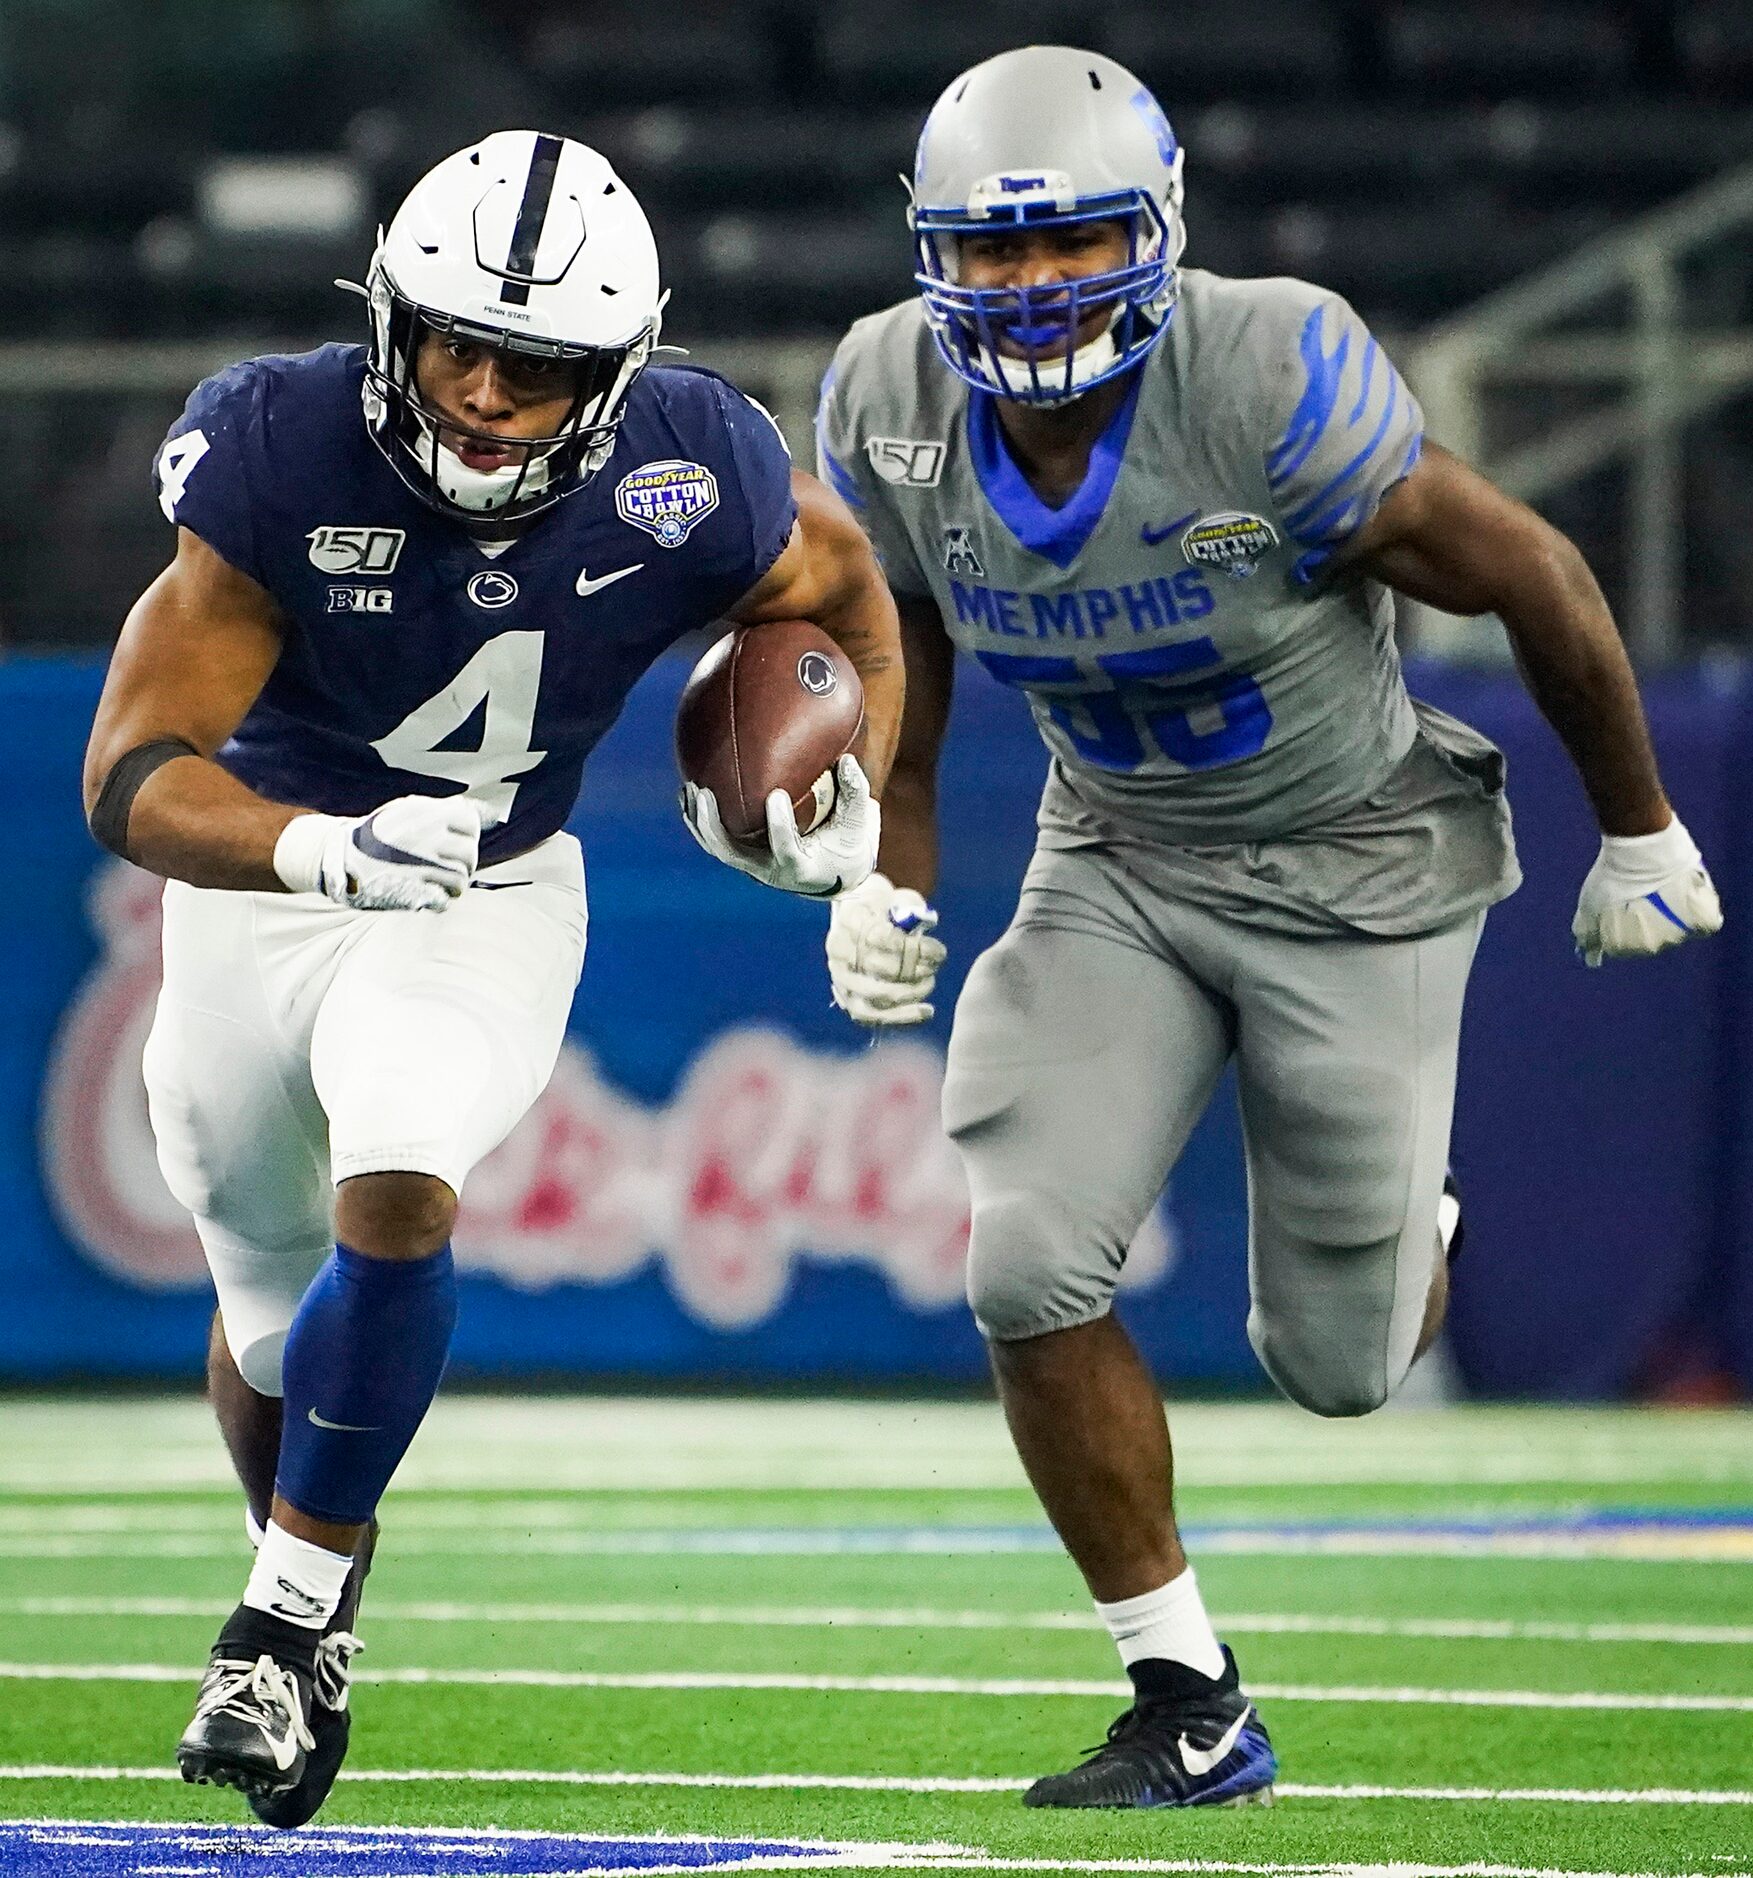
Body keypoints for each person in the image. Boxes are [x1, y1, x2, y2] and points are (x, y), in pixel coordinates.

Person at [816, 46, 1722, 1810]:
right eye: (984, 254)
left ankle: (1412, 1222)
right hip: (1120, 859)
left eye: (1064, 242)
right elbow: (899, 647)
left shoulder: (1263, 368)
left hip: (1354, 862)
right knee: (1020, 1258)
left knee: (1338, 1369)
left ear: (1152, 231)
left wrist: (1638, 824)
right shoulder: (885, 392)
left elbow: (1524, 563)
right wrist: (884, 863)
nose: (1021, 286)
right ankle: (1185, 1693)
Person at [82, 129, 901, 1828]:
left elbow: (845, 599)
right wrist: (320, 846)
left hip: (492, 890)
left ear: (610, 375)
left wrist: (856, 790)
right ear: (386, 317)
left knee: (402, 1174)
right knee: (260, 1305)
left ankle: (281, 1619)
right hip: (277, 880)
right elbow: (129, 768)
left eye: (531, 363)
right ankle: (309, 1590)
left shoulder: (695, 466)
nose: (478, 387)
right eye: (451, 338)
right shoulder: (282, 443)